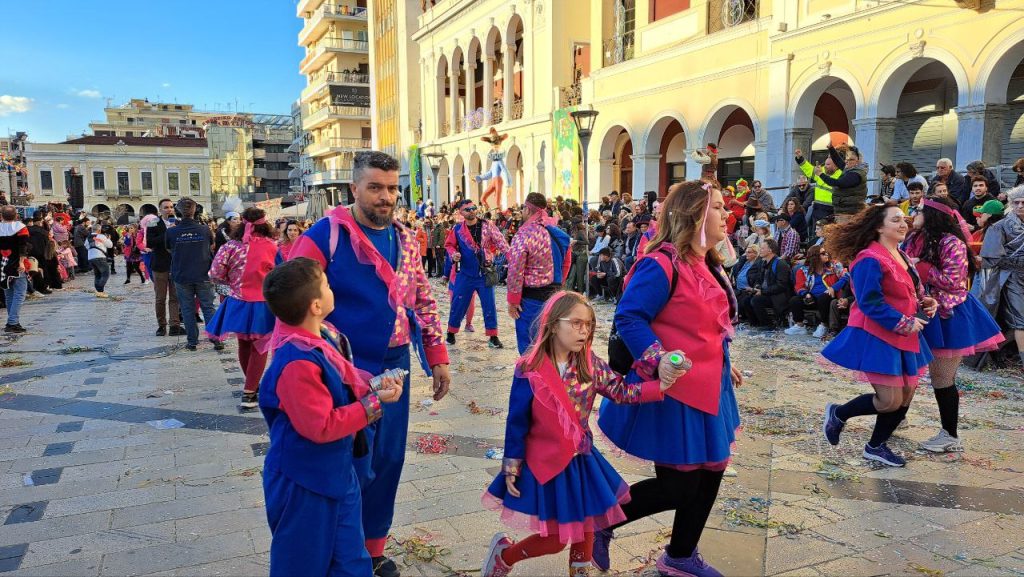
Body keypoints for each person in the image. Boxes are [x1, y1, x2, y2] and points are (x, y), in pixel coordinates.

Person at [288, 151, 451, 577]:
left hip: (396, 363)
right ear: (354, 189)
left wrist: (437, 356)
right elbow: (290, 302)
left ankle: (372, 548)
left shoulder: (407, 237)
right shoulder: (326, 236)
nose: (386, 196)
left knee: (388, 459)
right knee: (348, 461)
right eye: (375, 187)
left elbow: (423, 300)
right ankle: (340, 548)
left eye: (392, 188)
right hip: (342, 367)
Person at [595, 180, 744, 576]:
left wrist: (726, 363)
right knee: (678, 486)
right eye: (718, 208)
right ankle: (603, 519)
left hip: (712, 388)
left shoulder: (707, 262)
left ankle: (680, 557)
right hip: (676, 390)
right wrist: (657, 357)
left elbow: (711, 325)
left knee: (712, 471)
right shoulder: (660, 263)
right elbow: (629, 317)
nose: (726, 215)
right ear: (694, 214)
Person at [480, 291, 684, 577]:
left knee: (588, 523)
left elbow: (621, 391)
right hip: (546, 464)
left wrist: (658, 386)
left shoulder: (590, 363)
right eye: (576, 323)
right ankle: (505, 554)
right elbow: (517, 421)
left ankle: (580, 572)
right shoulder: (529, 369)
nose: (584, 331)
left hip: (581, 458)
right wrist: (512, 463)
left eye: (588, 324)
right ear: (552, 324)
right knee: (554, 540)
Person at [258, 258, 404, 577]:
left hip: (338, 471)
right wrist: (373, 405)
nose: (331, 287)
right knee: (302, 562)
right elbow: (321, 425)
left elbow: (345, 382)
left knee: (352, 561)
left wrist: (373, 387)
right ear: (314, 305)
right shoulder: (296, 362)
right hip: (304, 481)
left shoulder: (324, 336)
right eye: (325, 284)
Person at [821, 203, 938, 467]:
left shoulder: (902, 254)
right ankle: (839, 413)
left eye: (904, 219)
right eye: (895, 220)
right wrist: (902, 322)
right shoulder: (868, 258)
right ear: (878, 227)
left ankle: (876, 446)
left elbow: (911, 291)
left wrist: (926, 301)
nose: (903, 224)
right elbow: (869, 302)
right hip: (879, 333)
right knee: (888, 401)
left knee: (906, 394)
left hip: (906, 332)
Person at [904, 197, 1003, 453]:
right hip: (916, 311)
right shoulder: (915, 238)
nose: (914, 212)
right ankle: (895, 416)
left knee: (942, 377)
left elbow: (953, 281)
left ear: (933, 215)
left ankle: (950, 434)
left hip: (949, 314)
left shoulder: (953, 243)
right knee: (908, 370)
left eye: (920, 210)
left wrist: (921, 267)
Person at [208, 208, 280, 409]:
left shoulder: (230, 246)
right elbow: (283, 274)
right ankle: (249, 392)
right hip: (263, 303)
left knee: (244, 344)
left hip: (237, 301)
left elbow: (215, 273)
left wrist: (232, 281)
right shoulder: (273, 247)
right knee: (260, 347)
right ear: (265, 224)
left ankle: (251, 385)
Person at [506, 192, 572, 354]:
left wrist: (513, 299)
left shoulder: (525, 234)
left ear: (528, 209)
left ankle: (530, 380)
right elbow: (566, 263)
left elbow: (515, 268)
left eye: (523, 208)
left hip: (531, 300)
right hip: (555, 298)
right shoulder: (561, 235)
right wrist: (558, 284)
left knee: (529, 348)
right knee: (550, 346)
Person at [445, 198, 510, 348]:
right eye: (467, 209)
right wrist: (454, 254)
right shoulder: (457, 229)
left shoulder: (488, 226)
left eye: (473, 208)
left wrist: (512, 258)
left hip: (484, 273)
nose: (472, 211)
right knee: (458, 303)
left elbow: (501, 242)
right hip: (465, 274)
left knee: (489, 305)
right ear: (461, 212)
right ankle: (451, 332)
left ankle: (493, 337)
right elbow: (449, 245)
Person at [165, 197, 220, 352]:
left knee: (188, 309)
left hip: (182, 275)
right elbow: (212, 246)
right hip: (203, 274)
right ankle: (216, 339)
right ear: (195, 210)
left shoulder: (171, 232)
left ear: (178, 211)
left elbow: (168, 250)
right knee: (208, 308)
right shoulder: (204, 230)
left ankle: (192, 342)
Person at [980, 185, 1024, 372]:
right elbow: (991, 256)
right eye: (1016, 202)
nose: (1020, 206)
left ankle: (998, 347)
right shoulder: (1000, 226)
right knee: (1020, 320)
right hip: (1011, 277)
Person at [784, 245, 846, 338]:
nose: (826, 255)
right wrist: (806, 294)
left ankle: (823, 325)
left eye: (826, 252)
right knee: (794, 300)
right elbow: (799, 286)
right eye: (823, 253)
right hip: (812, 298)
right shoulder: (803, 270)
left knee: (823, 297)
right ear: (815, 256)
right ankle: (799, 326)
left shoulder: (834, 266)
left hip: (828, 296)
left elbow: (846, 277)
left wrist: (834, 288)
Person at [146, 199, 184, 337]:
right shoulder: (154, 223)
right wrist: (168, 232)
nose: (169, 209)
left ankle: (175, 325)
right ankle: (161, 326)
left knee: (175, 297)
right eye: (166, 207)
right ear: (160, 210)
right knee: (160, 298)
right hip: (160, 265)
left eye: (171, 207)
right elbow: (150, 242)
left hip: (175, 265)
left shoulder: (179, 223)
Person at [746, 239, 792, 329]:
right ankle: (755, 324)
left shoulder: (780, 264)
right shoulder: (763, 262)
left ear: (770, 250)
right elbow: (759, 280)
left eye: (762, 248)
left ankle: (768, 325)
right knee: (746, 300)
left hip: (778, 295)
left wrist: (762, 292)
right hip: (767, 293)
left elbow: (781, 285)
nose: (760, 250)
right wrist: (756, 288)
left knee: (756, 300)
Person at [816, 144, 867, 224]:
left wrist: (820, 174)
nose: (847, 161)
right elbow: (838, 160)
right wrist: (831, 148)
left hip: (849, 213)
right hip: (843, 211)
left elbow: (837, 183)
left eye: (851, 159)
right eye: (846, 158)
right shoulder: (849, 168)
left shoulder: (855, 174)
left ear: (858, 161)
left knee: (844, 234)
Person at [0, 206, 31, 333]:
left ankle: (12, 321)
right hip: (16, 264)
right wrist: (21, 262)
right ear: (16, 215)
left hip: (2, 264)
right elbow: (22, 247)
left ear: (2, 215)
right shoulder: (21, 228)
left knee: (9, 294)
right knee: (19, 293)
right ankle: (12, 322)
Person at [795, 149, 837, 230]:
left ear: (835, 165)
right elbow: (809, 170)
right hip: (818, 207)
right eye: (825, 164)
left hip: (831, 209)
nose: (825, 166)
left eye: (828, 164)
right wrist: (800, 158)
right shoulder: (822, 170)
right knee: (817, 232)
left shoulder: (840, 174)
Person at [87, 222, 113, 298]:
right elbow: (110, 245)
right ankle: (99, 290)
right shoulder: (101, 236)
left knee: (97, 274)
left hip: (91, 257)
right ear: (99, 230)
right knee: (105, 274)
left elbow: (86, 246)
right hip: (100, 256)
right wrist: (108, 239)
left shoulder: (88, 237)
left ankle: (99, 291)